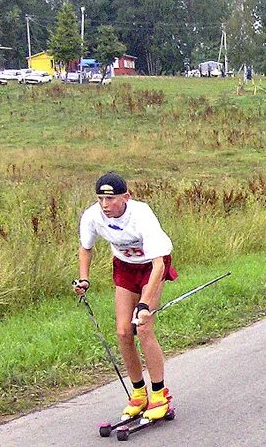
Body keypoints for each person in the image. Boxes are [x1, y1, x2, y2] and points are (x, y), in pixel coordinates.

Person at [73, 172, 179, 422]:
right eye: (100, 199)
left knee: (143, 327)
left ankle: (159, 394)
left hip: (152, 267)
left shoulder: (141, 215)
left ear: (126, 198)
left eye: (110, 199)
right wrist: (84, 278)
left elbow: (158, 265)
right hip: (124, 266)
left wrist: (144, 305)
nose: (104, 205)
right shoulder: (92, 216)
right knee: (122, 331)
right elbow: (85, 248)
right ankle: (139, 393)